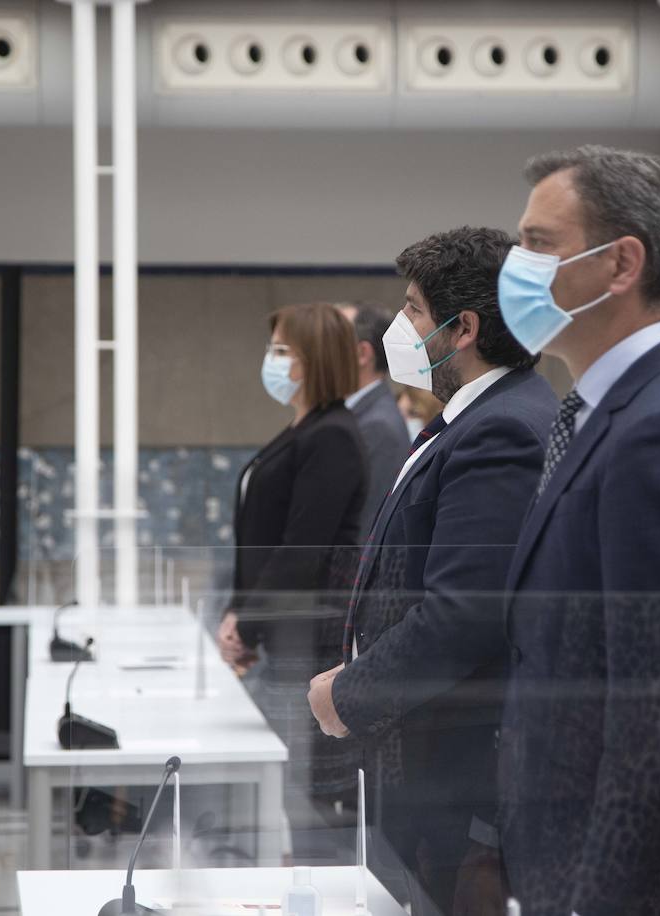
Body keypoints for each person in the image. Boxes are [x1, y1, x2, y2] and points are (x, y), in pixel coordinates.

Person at [495, 145, 660, 916]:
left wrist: (603, 897)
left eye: (540, 244)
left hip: (611, 879)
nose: (518, 265)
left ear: (621, 265)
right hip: (555, 850)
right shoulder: (604, 416)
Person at [307, 227, 557, 916]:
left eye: (414, 310)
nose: (401, 326)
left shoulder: (505, 429)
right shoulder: (466, 420)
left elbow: (463, 613)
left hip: (458, 772)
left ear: (464, 328)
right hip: (422, 755)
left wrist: (351, 694)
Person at [216, 302, 368, 850]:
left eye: (283, 350)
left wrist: (245, 624)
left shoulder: (332, 434)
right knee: (282, 791)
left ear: (316, 359)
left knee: (303, 795)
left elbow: (300, 549)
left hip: (307, 637)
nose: (272, 361)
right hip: (281, 632)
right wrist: (242, 615)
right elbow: (259, 542)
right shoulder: (302, 428)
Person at [337, 302, 413, 542]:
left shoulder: (378, 426)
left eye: (329, 341)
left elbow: (366, 530)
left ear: (363, 354)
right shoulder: (352, 415)